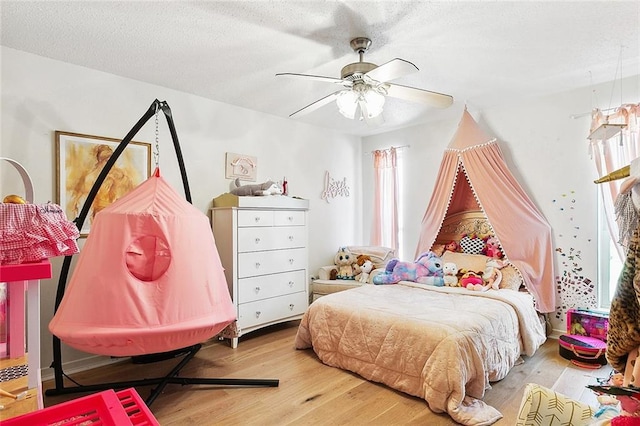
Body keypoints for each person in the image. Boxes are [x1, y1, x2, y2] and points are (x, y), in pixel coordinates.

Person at [67, 144, 136, 224]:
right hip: (100, 216)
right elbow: (88, 203)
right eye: (107, 161)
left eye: (113, 161)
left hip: (117, 216)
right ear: (100, 160)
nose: (111, 164)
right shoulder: (91, 178)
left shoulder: (118, 174)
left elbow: (127, 194)